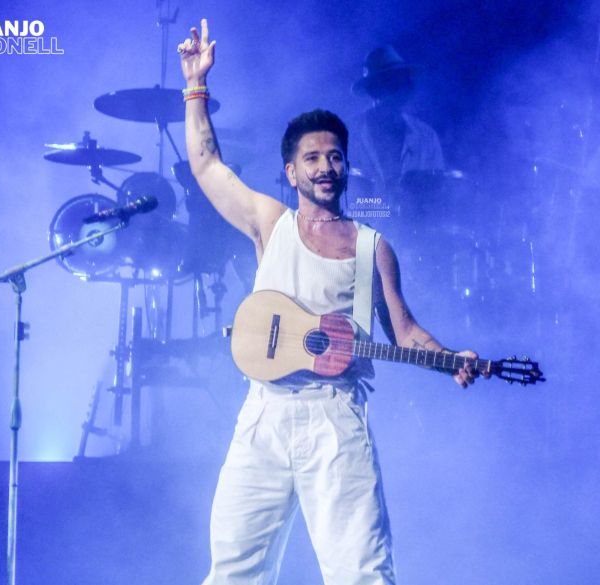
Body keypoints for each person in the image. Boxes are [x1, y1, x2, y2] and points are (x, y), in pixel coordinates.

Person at [179, 20, 481, 585]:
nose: (326, 166)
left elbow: (405, 331)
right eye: (312, 157)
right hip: (263, 414)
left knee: (361, 574)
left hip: (335, 418)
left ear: (347, 166)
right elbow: (207, 166)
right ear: (291, 171)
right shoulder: (271, 223)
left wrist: (449, 357)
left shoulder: (373, 247)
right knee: (233, 573)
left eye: (335, 156)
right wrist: (196, 88)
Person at [349, 45, 446, 217]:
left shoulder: (427, 138)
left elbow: (438, 197)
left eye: (401, 82)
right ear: (373, 90)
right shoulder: (346, 135)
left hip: (417, 235)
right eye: (389, 83)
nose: (398, 90)